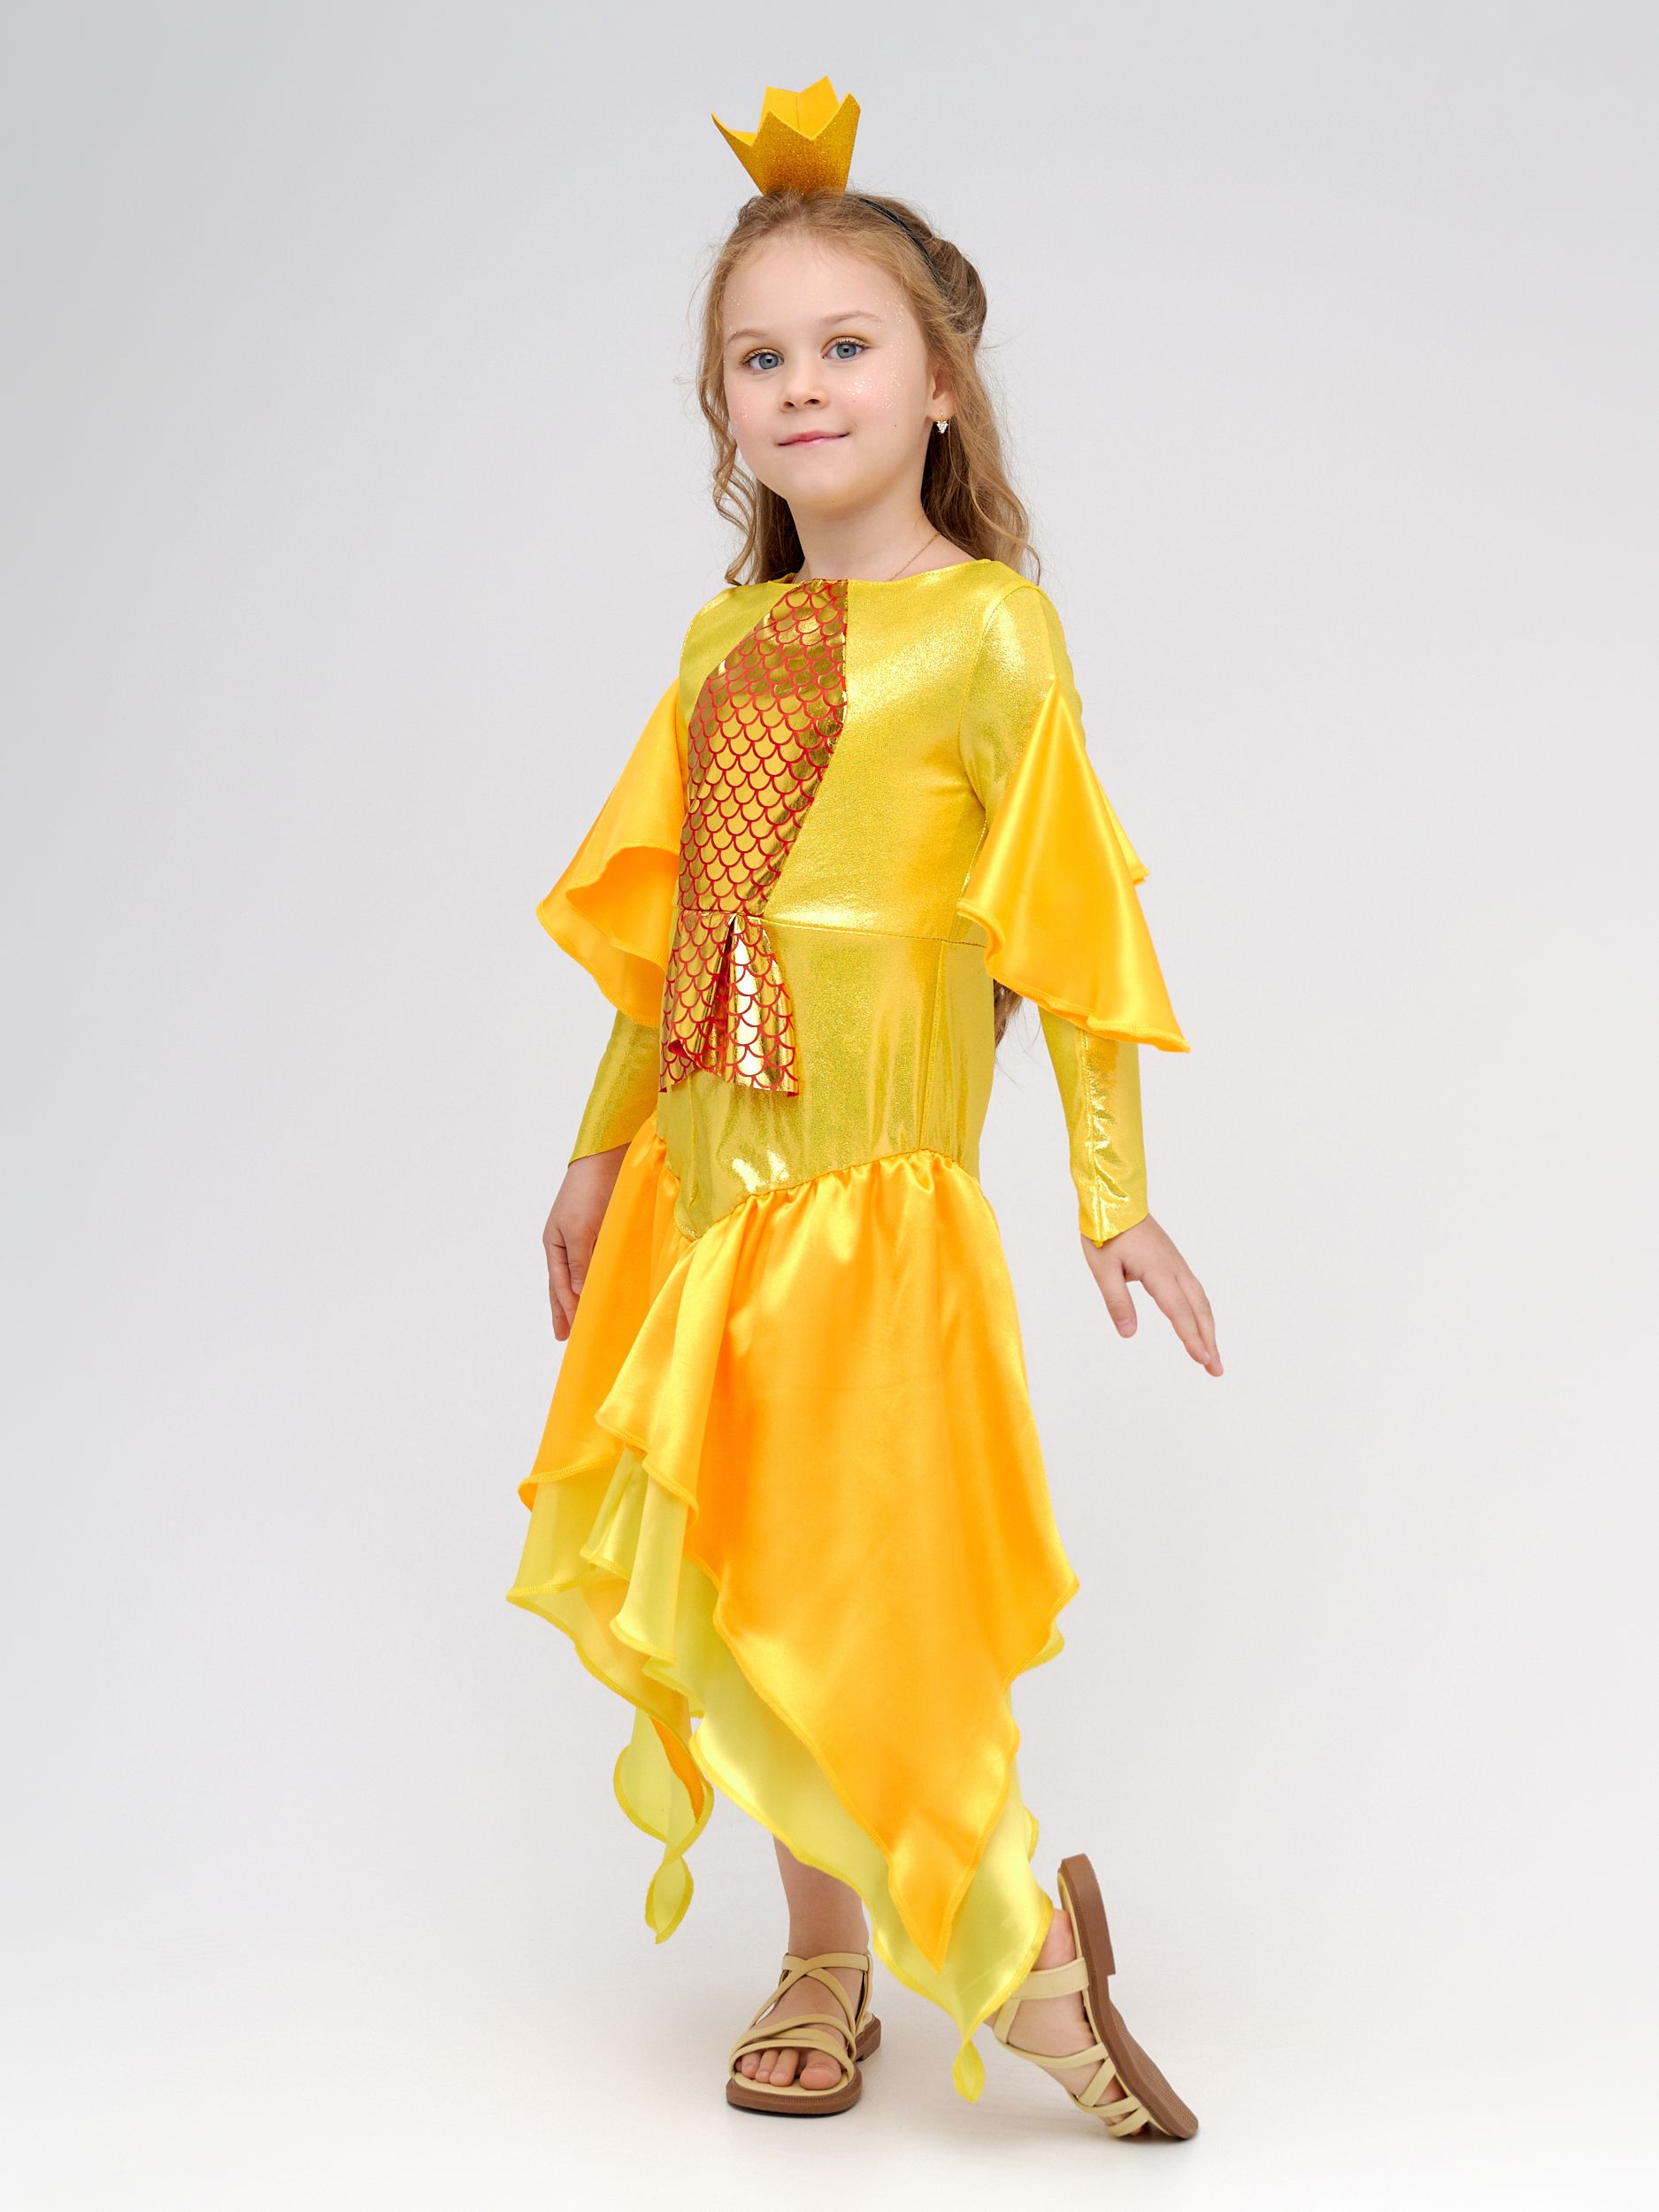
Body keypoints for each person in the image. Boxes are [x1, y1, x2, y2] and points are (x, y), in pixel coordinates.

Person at [506, 77, 1220, 2137]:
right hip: (703, 1199)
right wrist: (595, 1151)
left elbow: (1062, 927)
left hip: (872, 1195)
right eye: (760, 357)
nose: (801, 384)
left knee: (870, 1581)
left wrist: (1108, 1193)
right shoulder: (721, 639)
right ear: (720, 404)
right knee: (743, 1572)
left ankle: (1025, 1949)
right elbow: (676, 939)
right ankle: (822, 1951)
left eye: (843, 344)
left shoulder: (989, 632)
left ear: (937, 384)